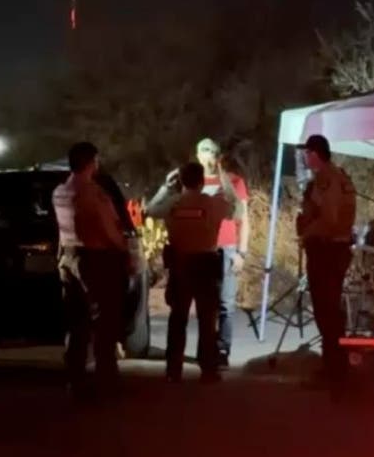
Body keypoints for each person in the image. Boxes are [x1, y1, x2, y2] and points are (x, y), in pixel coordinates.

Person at [145, 161, 239, 383]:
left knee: (178, 318)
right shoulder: (212, 204)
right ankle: (208, 369)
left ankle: (173, 369)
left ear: (180, 181)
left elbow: (149, 210)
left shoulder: (173, 204)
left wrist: (166, 188)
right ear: (202, 180)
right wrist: (224, 178)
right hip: (206, 263)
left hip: (181, 262)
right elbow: (234, 206)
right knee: (208, 320)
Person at [53, 141, 131, 402]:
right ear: (91, 162)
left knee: (76, 324)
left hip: (69, 257)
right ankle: (106, 382)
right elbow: (108, 228)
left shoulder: (60, 191)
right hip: (95, 259)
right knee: (103, 322)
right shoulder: (92, 193)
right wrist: (123, 250)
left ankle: (75, 379)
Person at [295, 134, 357, 399]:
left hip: (327, 248)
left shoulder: (325, 178)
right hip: (335, 248)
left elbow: (329, 218)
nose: (305, 158)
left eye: (307, 153)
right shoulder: (340, 175)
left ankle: (335, 371)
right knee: (329, 311)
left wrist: (306, 233)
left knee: (326, 311)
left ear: (315, 153)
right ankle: (333, 367)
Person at [195, 138, 250, 367]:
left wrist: (242, 252)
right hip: (200, 249)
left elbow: (244, 218)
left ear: (218, 156)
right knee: (204, 304)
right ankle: (205, 348)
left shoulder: (233, 181)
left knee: (226, 303)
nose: (206, 156)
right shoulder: (191, 182)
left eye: (210, 152)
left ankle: (223, 349)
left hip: (226, 248)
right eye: (202, 151)